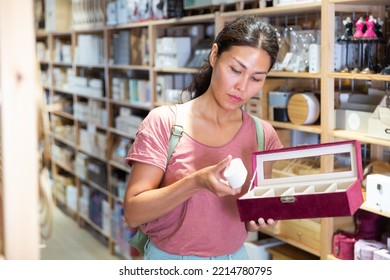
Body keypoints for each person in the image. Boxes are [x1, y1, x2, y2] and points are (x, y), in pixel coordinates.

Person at [124, 15, 283, 260]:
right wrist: (196, 182)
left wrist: (258, 219)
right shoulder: (165, 123)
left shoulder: (264, 136)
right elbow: (133, 213)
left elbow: (251, 218)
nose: (242, 86)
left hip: (235, 260)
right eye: (235, 70)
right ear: (214, 55)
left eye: (256, 78)